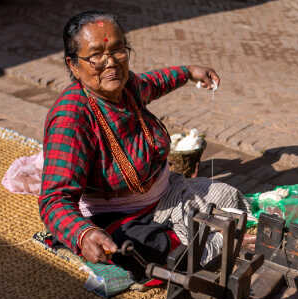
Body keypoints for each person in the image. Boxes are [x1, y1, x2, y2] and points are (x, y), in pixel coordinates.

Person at [38, 11, 250, 274]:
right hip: (119, 218)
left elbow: (155, 82)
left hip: (166, 196)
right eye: (96, 56)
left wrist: (189, 72)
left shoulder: (127, 87)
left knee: (227, 196)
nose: (111, 62)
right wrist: (83, 233)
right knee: (143, 249)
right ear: (73, 65)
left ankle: (206, 243)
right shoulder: (71, 117)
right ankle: (207, 247)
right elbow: (54, 198)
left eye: (118, 50)